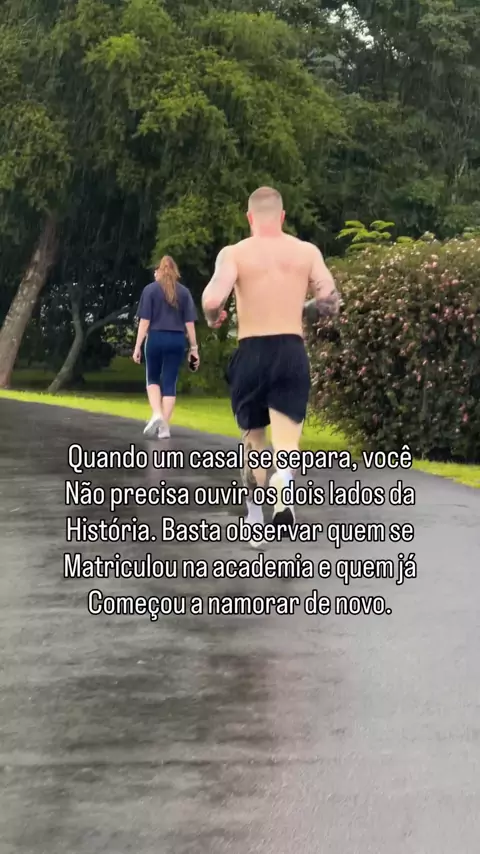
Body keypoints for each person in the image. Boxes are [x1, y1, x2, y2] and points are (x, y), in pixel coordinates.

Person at [201, 186, 339, 532]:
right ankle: (283, 485)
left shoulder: (234, 254)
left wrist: (212, 317)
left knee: (254, 439)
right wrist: (302, 308)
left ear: (249, 217)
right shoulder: (306, 252)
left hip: (251, 351)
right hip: (290, 349)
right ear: (282, 216)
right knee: (287, 439)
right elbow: (330, 300)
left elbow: (212, 299)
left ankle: (255, 512)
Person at [133, 256, 199, 439]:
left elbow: (144, 321)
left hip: (155, 337)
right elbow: (190, 323)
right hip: (177, 339)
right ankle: (164, 428)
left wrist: (137, 346)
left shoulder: (150, 290)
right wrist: (194, 348)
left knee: (152, 378)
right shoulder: (184, 292)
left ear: (159, 271)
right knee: (170, 382)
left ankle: (157, 414)